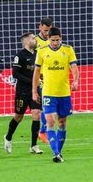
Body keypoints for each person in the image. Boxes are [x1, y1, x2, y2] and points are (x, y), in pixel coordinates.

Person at [32, 27, 79, 163]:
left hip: (64, 93)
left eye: (57, 40)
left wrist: (75, 81)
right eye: (53, 40)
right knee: (50, 121)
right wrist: (34, 91)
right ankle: (55, 152)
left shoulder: (68, 49)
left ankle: (59, 151)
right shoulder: (41, 51)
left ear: (61, 38)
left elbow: (74, 68)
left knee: (62, 123)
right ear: (48, 39)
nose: (55, 43)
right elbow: (36, 72)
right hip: (48, 93)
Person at [4, 32, 43, 155]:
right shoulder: (19, 55)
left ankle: (34, 145)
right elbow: (15, 74)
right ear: (26, 41)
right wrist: (32, 82)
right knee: (18, 116)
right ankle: (8, 137)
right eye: (33, 38)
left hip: (36, 90)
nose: (35, 40)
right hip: (22, 91)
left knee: (36, 114)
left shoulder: (38, 54)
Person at [36, 18, 53, 144]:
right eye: (45, 30)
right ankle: (42, 131)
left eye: (49, 30)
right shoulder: (34, 41)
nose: (47, 33)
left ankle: (42, 131)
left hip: (50, 77)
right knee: (45, 106)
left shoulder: (52, 41)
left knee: (48, 106)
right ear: (40, 27)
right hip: (39, 78)